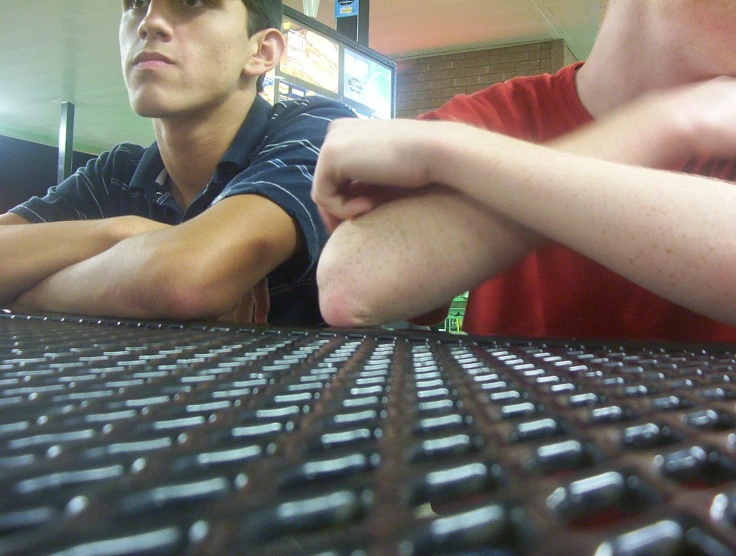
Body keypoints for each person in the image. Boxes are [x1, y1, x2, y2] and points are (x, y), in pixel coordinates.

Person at [313, 0, 736, 342]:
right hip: (511, 437)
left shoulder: (461, 142)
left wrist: (453, 155)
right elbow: (351, 285)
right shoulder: (489, 120)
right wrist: (663, 127)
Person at [0, 0, 355, 327]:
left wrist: (29, 297)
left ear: (261, 51)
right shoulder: (117, 174)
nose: (150, 22)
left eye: (193, 1)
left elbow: (187, 277)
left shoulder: (321, 130)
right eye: (137, 3)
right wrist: (121, 232)